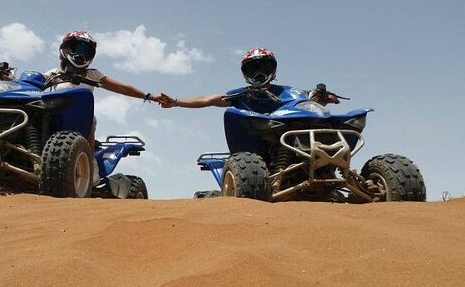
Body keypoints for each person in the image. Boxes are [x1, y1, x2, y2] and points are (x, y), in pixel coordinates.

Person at [45, 30, 163, 184]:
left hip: (81, 121)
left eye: (86, 51)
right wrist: (6, 77)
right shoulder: (54, 74)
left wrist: (149, 96)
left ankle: (90, 162)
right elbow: (31, 83)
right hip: (55, 116)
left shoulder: (92, 75)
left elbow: (122, 87)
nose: (81, 54)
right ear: (66, 48)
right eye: (78, 48)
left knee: (91, 119)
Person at [159, 47, 339, 111]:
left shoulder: (290, 92)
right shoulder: (242, 96)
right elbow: (208, 100)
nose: (259, 73)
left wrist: (325, 97)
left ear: (273, 69)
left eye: (264, 67)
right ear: (245, 72)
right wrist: (176, 102)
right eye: (253, 68)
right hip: (257, 143)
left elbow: (313, 98)